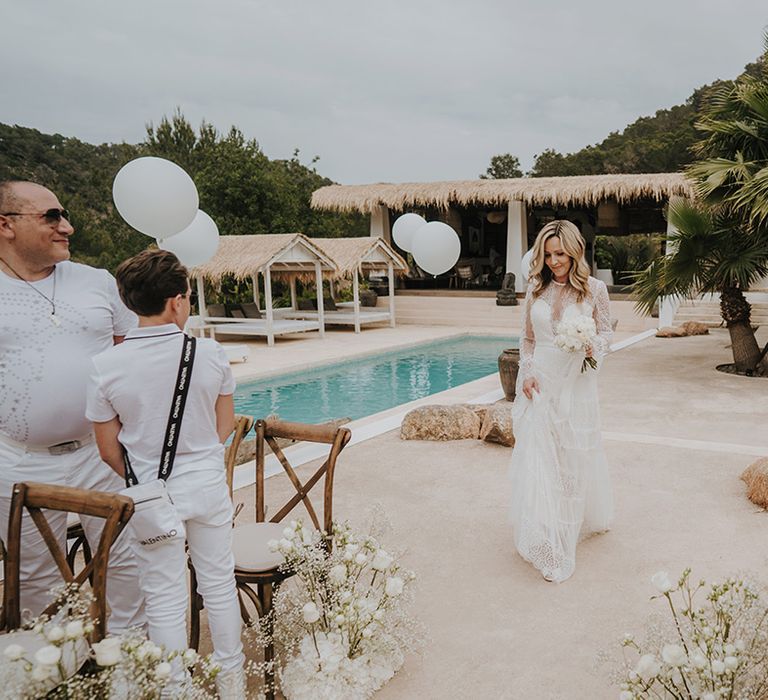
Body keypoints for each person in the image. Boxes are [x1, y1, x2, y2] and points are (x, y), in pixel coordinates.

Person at [86, 250, 245, 698]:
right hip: (207, 486)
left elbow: (106, 449)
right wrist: (201, 462)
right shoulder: (210, 353)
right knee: (218, 583)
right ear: (176, 301)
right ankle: (232, 683)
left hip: (151, 498)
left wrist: (146, 479)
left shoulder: (105, 366)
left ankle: (176, 689)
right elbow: (224, 426)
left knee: (164, 598)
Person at [0, 180, 144, 631]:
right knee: (35, 580)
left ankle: (132, 667)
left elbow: (131, 356)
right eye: (51, 217)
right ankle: (53, 673)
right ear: (6, 225)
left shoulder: (97, 282)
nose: (68, 226)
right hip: (21, 462)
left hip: (102, 455)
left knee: (124, 563)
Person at [508, 220, 613, 583]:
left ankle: (566, 531)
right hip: (541, 382)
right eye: (548, 255)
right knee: (540, 456)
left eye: (560, 254)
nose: (554, 262)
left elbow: (606, 333)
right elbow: (527, 339)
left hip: (577, 384)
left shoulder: (595, 290)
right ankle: (548, 534)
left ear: (575, 252)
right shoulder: (535, 290)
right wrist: (528, 372)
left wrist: (591, 346)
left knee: (571, 459)